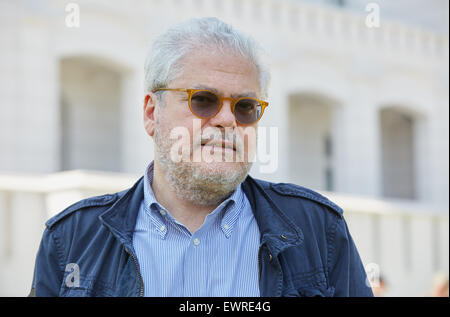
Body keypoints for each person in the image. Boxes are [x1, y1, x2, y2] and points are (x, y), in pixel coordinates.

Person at [29, 17, 373, 297]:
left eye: (245, 107)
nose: (227, 119)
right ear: (152, 113)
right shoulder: (70, 239)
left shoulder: (320, 230)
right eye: (203, 100)